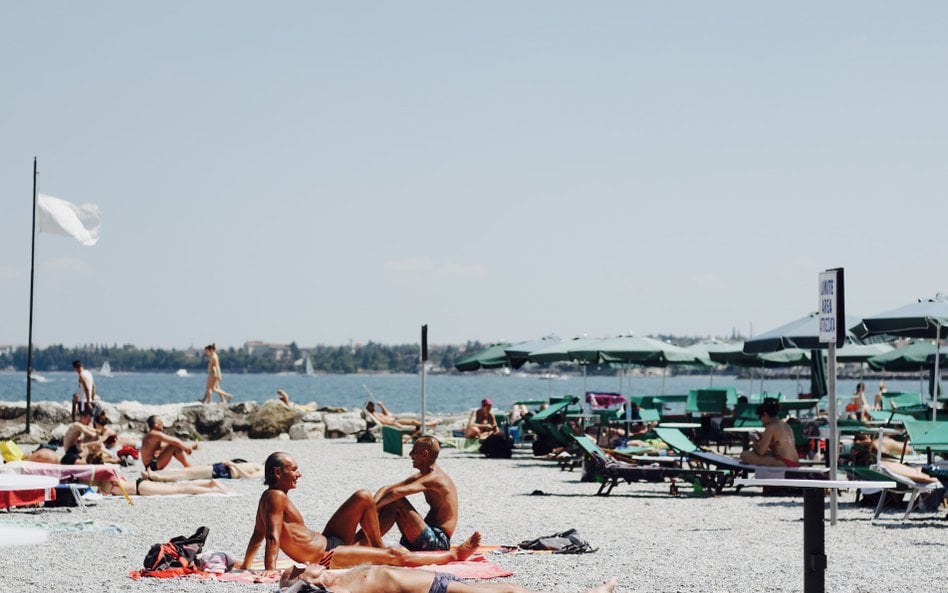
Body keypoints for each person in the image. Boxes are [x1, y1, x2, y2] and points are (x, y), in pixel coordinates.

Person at [236, 452, 480, 574]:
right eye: (293, 470)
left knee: (363, 496)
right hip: (327, 555)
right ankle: (454, 555)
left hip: (329, 539)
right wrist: (269, 571)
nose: (298, 474)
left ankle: (376, 546)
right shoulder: (275, 497)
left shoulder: (270, 498)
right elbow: (271, 538)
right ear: (277, 473)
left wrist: (246, 565)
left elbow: (258, 534)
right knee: (396, 556)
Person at [364, 436, 458, 551]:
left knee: (396, 502)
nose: (410, 454)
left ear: (424, 454)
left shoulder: (435, 478)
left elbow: (396, 493)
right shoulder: (424, 475)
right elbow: (387, 488)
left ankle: (364, 542)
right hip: (426, 535)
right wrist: (373, 506)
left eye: (414, 451)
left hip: (438, 541)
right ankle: (364, 541)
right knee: (391, 502)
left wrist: (371, 511)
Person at [279, 562, 617, 593]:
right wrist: (294, 582)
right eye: (299, 568)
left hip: (433, 580)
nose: (307, 563)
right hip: (433, 589)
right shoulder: (334, 590)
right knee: (510, 591)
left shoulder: (337, 578)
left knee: (509, 589)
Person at [739, 399, 800, 467]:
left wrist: (753, 441)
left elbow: (761, 452)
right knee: (765, 454)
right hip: (795, 463)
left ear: (765, 414)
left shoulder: (771, 427)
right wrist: (761, 438)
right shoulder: (786, 425)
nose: (761, 420)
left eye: (760, 417)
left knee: (744, 455)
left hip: (785, 463)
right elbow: (778, 445)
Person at [142, 460, 265, 481]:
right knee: (190, 471)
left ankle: (158, 478)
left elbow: (249, 477)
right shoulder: (260, 464)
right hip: (222, 468)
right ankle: (156, 476)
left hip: (225, 472)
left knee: (189, 474)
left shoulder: (264, 470)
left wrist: (234, 465)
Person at [365, 401, 437, 437]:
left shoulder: (377, 413)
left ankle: (430, 425)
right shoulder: (372, 415)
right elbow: (381, 422)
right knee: (410, 426)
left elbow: (387, 414)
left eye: (372, 405)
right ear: (368, 408)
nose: (373, 407)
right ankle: (429, 426)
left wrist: (381, 405)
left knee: (413, 421)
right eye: (370, 406)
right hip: (393, 423)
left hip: (394, 420)